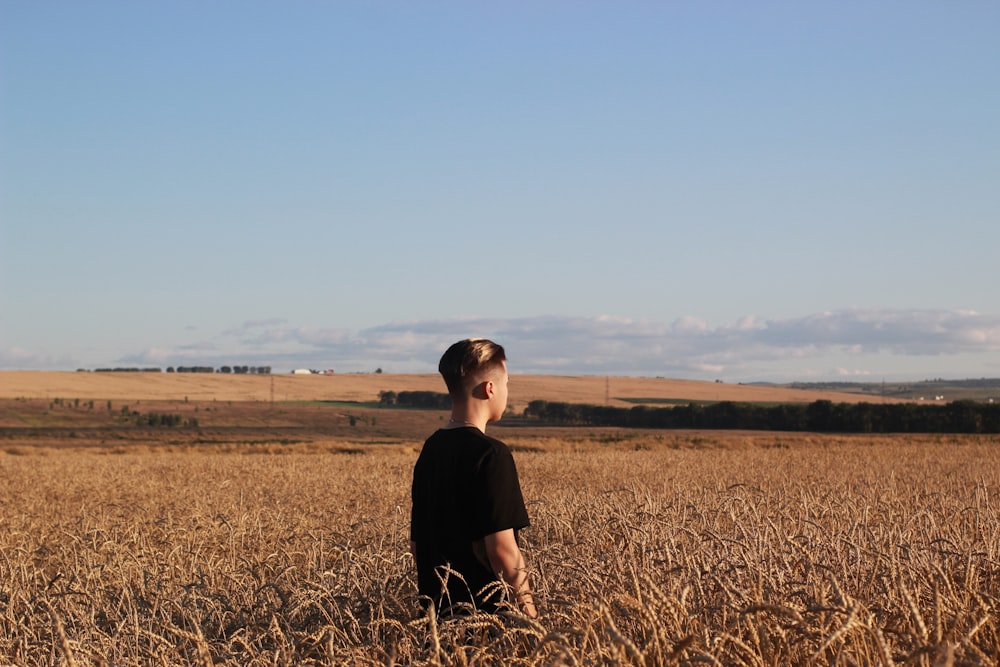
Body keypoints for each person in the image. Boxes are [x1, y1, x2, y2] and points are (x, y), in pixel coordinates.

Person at [410, 338, 538, 619]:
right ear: (489, 388)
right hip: (486, 623)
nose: (507, 391)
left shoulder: (430, 449)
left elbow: (417, 545)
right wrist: (530, 617)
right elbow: (503, 550)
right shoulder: (492, 454)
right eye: (506, 383)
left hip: (436, 620)